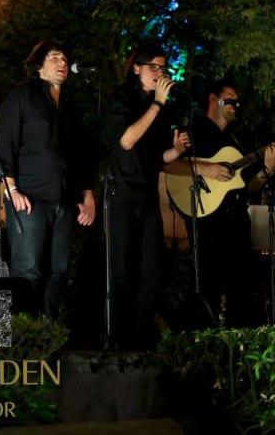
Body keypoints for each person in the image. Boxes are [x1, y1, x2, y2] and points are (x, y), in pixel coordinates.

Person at [0, 40, 96, 319]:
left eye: (65, 58)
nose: (62, 63)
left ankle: (49, 334)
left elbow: (80, 155)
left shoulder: (70, 107)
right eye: (54, 57)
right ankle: (24, 334)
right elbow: (5, 144)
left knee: (57, 271)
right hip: (29, 197)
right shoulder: (21, 96)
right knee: (28, 271)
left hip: (63, 200)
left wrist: (87, 196)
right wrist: (11, 188)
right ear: (39, 65)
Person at [168, 80, 275, 326]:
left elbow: (248, 185)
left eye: (236, 102)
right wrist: (207, 169)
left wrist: (267, 171)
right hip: (206, 216)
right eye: (228, 99)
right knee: (209, 279)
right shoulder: (195, 128)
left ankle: (240, 335)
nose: (234, 105)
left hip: (235, 218)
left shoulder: (235, 141)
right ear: (212, 99)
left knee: (243, 282)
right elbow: (170, 165)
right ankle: (203, 333)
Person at [105, 40, 190, 348]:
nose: (160, 72)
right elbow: (126, 141)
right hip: (122, 193)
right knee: (122, 270)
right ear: (137, 68)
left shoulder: (161, 108)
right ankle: (117, 340)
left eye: (163, 67)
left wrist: (176, 150)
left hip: (148, 194)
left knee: (151, 270)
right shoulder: (123, 98)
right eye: (153, 66)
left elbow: (157, 158)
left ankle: (142, 339)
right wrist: (156, 106)